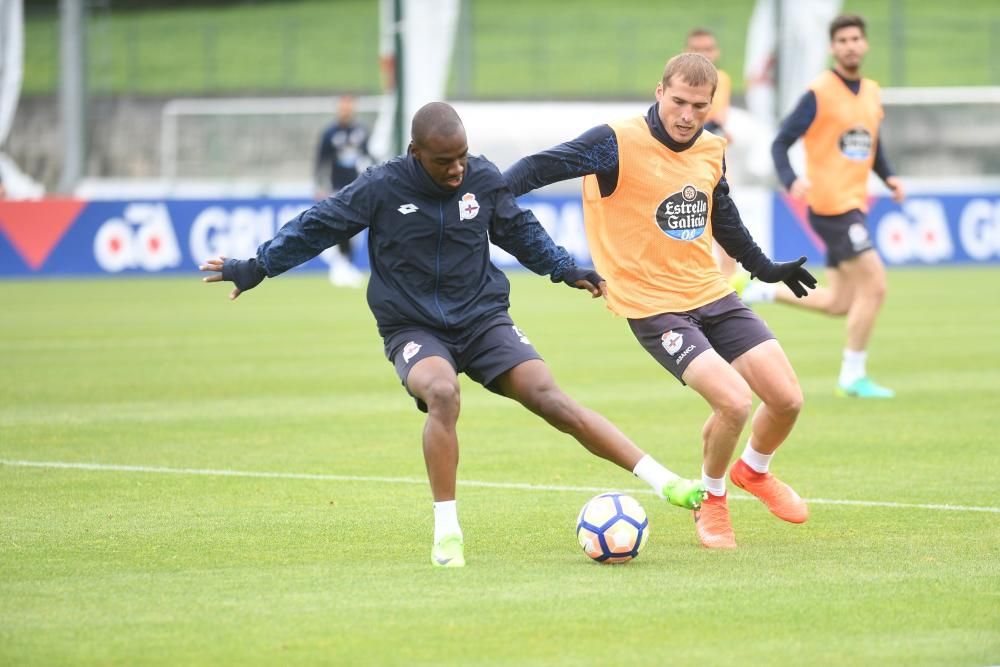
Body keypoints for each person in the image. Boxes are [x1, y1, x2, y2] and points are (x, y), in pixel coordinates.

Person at [201, 102, 707, 568]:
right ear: (415, 153)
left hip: (483, 320)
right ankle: (448, 531)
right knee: (442, 392)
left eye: (462, 156)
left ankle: (664, 483)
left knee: (551, 398)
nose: (456, 169)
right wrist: (256, 267)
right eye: (444, 161)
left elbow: (519, 229)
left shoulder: (482, 179)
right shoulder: (380, 186)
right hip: (412, 326)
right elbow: (318, 225)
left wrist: (563, 268)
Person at [503, 54, 817, 550]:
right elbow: (534, 169)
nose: (687, 115)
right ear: (659, 92)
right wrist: (481, 199)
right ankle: (712, 501)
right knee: (734, 401)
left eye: (698, 105)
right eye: (678, 102)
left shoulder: (712, 148)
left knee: (786, 399)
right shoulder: (615, 142)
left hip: (709, 291)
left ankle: (753, 471)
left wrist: (764, 268)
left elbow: (723, 215)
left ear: (712, 105)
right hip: (653, 305)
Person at [756, 13, 905, 399]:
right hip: (831, 206)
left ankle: (760, 291)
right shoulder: (819, 92)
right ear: (832, 48)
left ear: (865, 44)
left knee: (841, 302)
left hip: (854, 204)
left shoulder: (871, 91)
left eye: (856, 38)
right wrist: (791, 179)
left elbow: (871, 144)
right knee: (875, 285)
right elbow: (779, 142)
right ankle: (852, 376)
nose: (850, 45)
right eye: (842, 40)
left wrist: (889, 177)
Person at [684, 27, 737, 280]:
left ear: (716, 52)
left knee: (724, 218)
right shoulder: (679, 82)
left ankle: (728, 283)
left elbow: (714, 118)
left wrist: (723, 130)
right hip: (687, 160)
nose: (703, 55)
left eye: (707, 49)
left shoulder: (722, 79)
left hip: (713, 157)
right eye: (697, 50)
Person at [314, 94, 372, 288]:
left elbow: (368, 156)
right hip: (337, 188)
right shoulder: (330, 133)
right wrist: (319, 185)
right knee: (340, 227)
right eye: (343, 107)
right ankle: (340, 267)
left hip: (357, 187)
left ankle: (346, 266)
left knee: (354, 231)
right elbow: (320, 160)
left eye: (349, 106)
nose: (346, 110)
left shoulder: (360, 131)